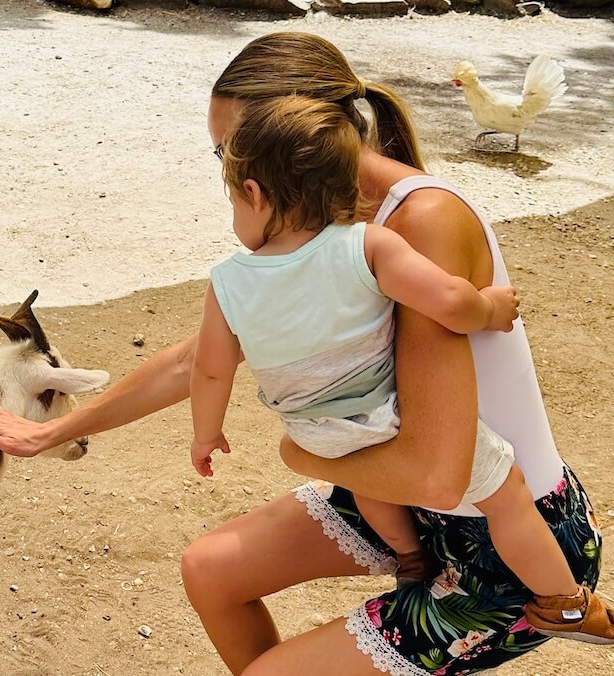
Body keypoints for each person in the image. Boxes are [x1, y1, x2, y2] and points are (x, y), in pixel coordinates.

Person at [0, 32, 606, 676]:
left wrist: (298, 454)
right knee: (210, 570)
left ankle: (568, 608)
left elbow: (440, 473)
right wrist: (53, 431)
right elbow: (197, 362)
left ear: (292, 138)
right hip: (414, 504)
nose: (229, 174)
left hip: (508, 544)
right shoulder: (321, 231)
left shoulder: (420, 222)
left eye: (229, 151)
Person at [187, 91, 611, 644]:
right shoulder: (366, 246)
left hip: (315, 432)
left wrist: (206, 434)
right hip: (382, 418)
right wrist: (491, 308)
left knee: (364, 475)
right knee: (505, 490)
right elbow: (450, 303)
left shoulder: (228, 282)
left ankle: (411, 558)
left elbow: (210, 370)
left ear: (253, 193)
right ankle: (566, 603)